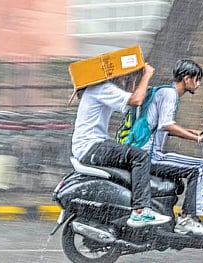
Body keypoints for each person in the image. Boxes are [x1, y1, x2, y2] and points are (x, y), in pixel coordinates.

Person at [71, 62, 171, 227]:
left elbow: (134, 97)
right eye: (126, 75)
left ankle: (130, 207)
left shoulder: (98, 89)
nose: (127, 79)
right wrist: (146, 75)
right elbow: (136, 100)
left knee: (132, 154)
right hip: (91, 147)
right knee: (139, 156)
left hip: (91, 146)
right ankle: (140, 210)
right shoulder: (103, 88)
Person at [141, 59, 203, 235]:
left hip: (145, 153)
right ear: (186, 79)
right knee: (201, 166)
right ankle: (187, 218)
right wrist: (198, 139)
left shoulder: (164, 92)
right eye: (197, 79)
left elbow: (165, 127)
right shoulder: (170, 94)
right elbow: (167, 125)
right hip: (150, 155)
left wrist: (198, 133)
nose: (198, 84)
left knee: (196, 166)